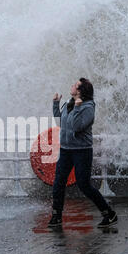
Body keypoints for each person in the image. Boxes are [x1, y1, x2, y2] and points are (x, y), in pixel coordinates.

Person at [48, 78, 118, 228]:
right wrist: (55, 104)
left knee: (84, 185)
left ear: (80, 91)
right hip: (66, 150)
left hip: (81, 151)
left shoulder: (87, 108)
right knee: (58, 182)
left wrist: (78, 108)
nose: (72, 86)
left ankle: (109, 213)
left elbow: (77, 127)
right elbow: (60, 123)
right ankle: (56, 215)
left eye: (75, 85)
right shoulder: (69, 103)